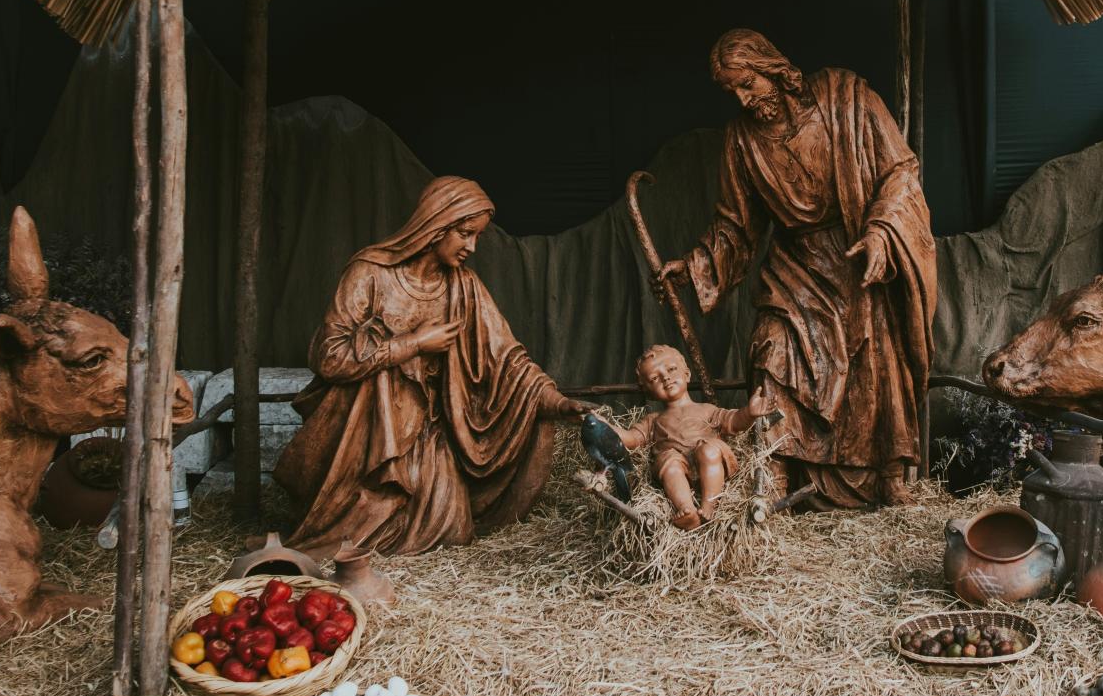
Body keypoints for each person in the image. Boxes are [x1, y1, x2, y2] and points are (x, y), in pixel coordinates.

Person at [655, 29, 935, 509]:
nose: (744, 100)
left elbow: (900, 169)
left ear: (772, 69)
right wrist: (698, 265)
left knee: (877, 349)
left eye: (748, 84)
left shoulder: (846, 97)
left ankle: (889, 475)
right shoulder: (742, 141)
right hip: (794, 265)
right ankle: (776, 473)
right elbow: (736, 224)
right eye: (733, 93)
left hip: (855, 249)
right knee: (774, 351)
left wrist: (881, 230)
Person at [274, 176, 589, 557]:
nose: (471, 247)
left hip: (429, 432)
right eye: (465, 233)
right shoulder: (370, 273)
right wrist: (413, 344)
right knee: (357, 538)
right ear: (437, 223)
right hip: (368, 434)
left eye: (477, 237)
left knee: (453, 533)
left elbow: (507, 357)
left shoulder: (463, 287)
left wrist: (554, 401)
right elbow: (329, 357)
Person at [610, 345, 774, 529]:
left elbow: (734, 422)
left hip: (711, 464)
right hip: (679, 470)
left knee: (709, 448)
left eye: (671, 369)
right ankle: (686, 509)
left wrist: (749, 413)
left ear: (687, 374)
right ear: (648, 391)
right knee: (668, 460)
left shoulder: (707, 409)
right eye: (655, 378)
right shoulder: (653, 421)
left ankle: (709, 506)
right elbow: (631, 439)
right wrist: (605, 426)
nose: (666, 377)